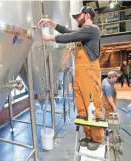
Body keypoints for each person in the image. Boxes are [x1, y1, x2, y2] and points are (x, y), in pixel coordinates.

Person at [38, 6, 104, 151]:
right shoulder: (82, 32)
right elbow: (67, 31)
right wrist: (50, 22)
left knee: (92, 106)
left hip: (90, 73)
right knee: (82, 107)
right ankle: (88, 135)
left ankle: (97, 137)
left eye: (78, 16)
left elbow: (69, 37)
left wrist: (50, 38)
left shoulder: (92, 29)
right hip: (80, 74)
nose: (76, 19)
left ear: (86, 16)